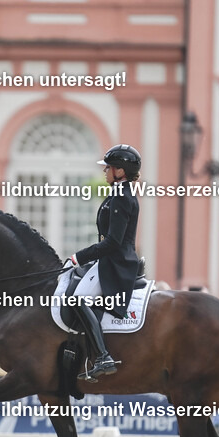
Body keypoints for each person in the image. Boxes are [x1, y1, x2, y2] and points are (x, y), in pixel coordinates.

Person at [67, 144, 142, 381]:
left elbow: (112, 242)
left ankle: (103, 356)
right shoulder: (119, 192)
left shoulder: (121, 196)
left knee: (77, 299)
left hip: (115, 262)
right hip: (110, 259)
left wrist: (80, 256)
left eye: (108, 167)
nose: (105, 172)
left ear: (120, 171)